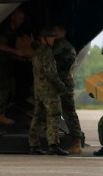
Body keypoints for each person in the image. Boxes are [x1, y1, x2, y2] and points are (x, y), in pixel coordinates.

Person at [28, 28, 69, 156]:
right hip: (49, 90)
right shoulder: (47, 52)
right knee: (54, 115)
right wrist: (61, 87)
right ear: (44, 39)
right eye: (50, 37)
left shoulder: (37, 51)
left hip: (38, 89)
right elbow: (51, 73)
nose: (53, 40)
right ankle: (53, 145)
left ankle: (33, 145)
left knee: (38, 116)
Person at [52, 23, 84, 155]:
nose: (53, 34)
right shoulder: (64, 44)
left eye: (55, 31)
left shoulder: (62, 45)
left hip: (63, 84)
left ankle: (76, 142)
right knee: (65, 112)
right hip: (62, 83)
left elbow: (49, 54)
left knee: (68, 112)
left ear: (61, 32)